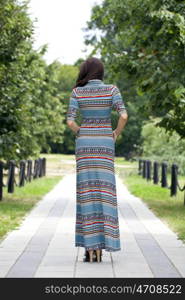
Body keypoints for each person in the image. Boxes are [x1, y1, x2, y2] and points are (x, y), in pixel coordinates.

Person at [66, 57, 128, 263]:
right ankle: (102, 246)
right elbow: (124, 116)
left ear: (85, 71)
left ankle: (90, 248)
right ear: (101, 72)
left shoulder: (77, 91)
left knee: (86, 192)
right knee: (105, 191)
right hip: (104, 143)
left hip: (84, 145)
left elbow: (70, 121)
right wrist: (115, 133)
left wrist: (82, 131)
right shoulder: (112, 90)